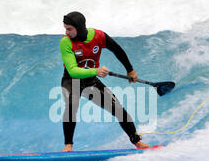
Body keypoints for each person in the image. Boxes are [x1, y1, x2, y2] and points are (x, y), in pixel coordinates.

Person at [60, 11, 150, 152]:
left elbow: (117, 50)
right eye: (65, 28)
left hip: (91, 81)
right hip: (71, 81)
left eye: (69, 29)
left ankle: (136, 141)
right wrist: (96, 71)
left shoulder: (99, 36)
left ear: (79, 27)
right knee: (71, 107)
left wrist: (130, 70)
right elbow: (72, 70)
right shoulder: (66, 42)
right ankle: (68, 145)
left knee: (118, 109)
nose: (66, 32)